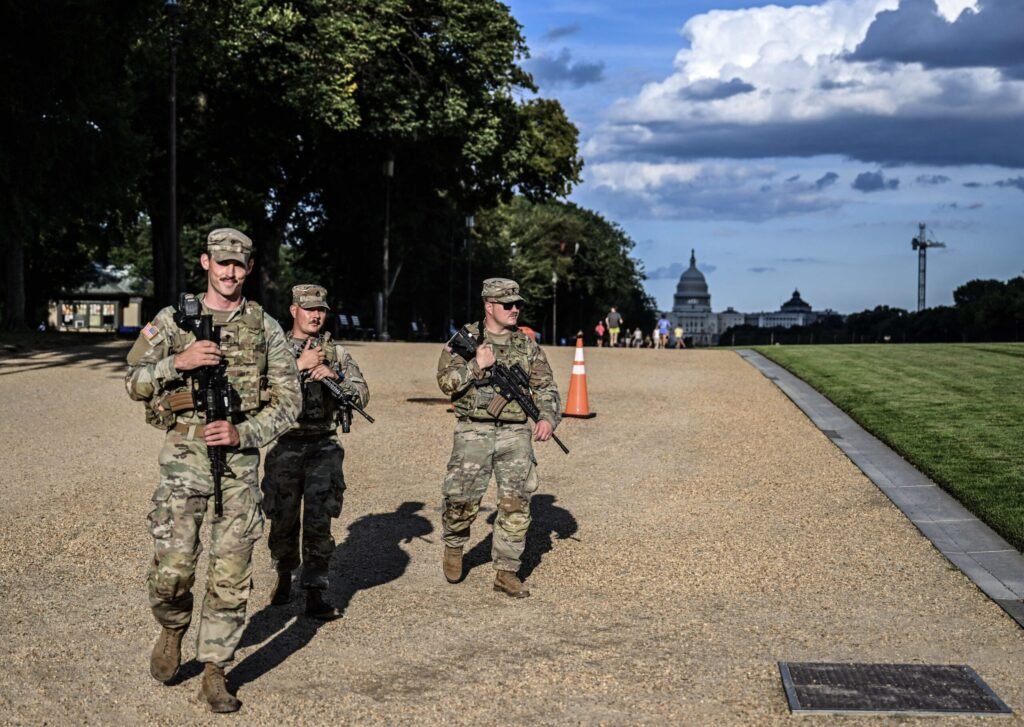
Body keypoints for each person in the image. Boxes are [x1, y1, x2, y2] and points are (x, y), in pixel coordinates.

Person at [125, 228, 301, 713]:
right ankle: (173, 626)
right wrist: (174, 363)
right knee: (172, 569)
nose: (230, 272)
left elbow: (291, 401)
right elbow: (133, 379)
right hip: (183, 461)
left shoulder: (265, 328)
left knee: (232, 572)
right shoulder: (171, 321)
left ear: (249, 268)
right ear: (205, 262)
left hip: (239, 467)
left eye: (239, 264)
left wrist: (244, 434)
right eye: (222, 263)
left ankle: (215, 669)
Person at [437, 278, 561, 598]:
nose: (515, 309)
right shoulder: (465, 339)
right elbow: (446, 382)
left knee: (516, 501)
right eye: (508, 304)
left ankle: (506, 571)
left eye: (518, 304)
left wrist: (547, 417)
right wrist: (477, 365)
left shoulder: (527, 345)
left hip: (515, 433)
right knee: (461, 497)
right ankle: (454, 544)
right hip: (473, 430)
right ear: (489, 306)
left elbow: (545, 388)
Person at [262, 284, 369, 620]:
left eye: (321, 309)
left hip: (324, 445)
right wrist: (299, 366)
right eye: (308, 309)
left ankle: (314, 590)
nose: (316, 315)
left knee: (319, 519)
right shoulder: (274, 350)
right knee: (283, 517)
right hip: (286, 443)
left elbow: (362, 394)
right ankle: (283, 573)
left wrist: (334, 376)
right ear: (294, 310)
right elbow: (255, 390)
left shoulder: (335, 353)